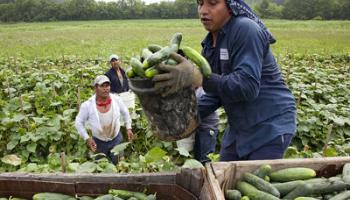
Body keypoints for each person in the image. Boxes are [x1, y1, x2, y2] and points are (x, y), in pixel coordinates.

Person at [152, 0, 296, 161]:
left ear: (230, 6)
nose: (203, 10)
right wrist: (186, 118)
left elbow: (247, 87)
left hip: (269, 125)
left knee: (252, 182)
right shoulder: (209, 45)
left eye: (212, 3)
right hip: (239, 128)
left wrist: (199, 78)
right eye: (200, 3)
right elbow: (217, 93)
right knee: (222, 180)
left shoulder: (246, 30)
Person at [75, 75, 134, 164]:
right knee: (101, 167)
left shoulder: (116, 100)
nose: (105, 88)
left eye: (107, 85)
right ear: (95, 87)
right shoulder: (88, 105)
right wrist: (87, 138)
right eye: (102, 86)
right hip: (98, 142)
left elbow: (125, 113)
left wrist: (128, 128)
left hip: (116, 140)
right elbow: (78, 122)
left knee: (118, 164)